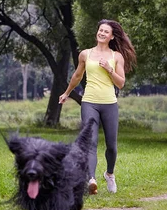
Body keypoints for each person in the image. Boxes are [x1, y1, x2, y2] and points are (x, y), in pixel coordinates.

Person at [59, 19, 137, 194]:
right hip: (89, 102)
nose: (101, 33)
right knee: (91, 142)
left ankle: (109, 174)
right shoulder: (85, 54)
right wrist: (66, 93)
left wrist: (109, 69)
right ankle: (91, 180)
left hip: (109, 104)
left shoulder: (116, 57)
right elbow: (77, 76)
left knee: (112, 146)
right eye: (100, 30)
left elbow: (121, 83)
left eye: (105, 32)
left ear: (111, 36)